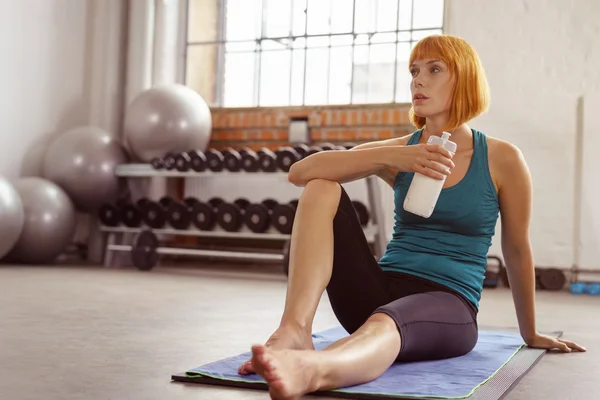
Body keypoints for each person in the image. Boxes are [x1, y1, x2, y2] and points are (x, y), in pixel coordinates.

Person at [238, 34, 586, 400]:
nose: (418, 80)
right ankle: (294, 330)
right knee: (322, 186)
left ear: (464, 79)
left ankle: (312, 371)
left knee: (386, 323)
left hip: (448, 303)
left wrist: (529, 334)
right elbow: (301, 172)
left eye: (434, 69)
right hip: (379, 289)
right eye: (414, 71)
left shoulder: (502, 159)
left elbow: (516, 248)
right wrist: (394, 157)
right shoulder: (403, 150)